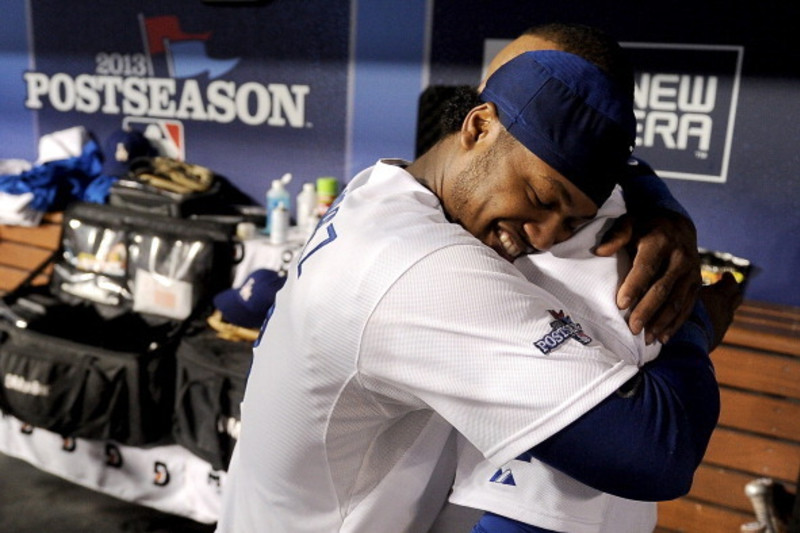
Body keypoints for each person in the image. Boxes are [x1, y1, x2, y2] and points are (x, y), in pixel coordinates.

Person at [216, 41, 741, 533]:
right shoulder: (419, 266)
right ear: (478, 125)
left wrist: (656, 201)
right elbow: (654, 455)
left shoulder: (381, 189)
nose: (543, 236)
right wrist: (692, 321)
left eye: (572, 222)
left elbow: (599, 171)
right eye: (540, 196)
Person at [435, 23, 713, 533]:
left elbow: (560, 497)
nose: (484, 107)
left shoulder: (599, 241)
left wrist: (688, 323)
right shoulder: (458, 198)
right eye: (489, 90)